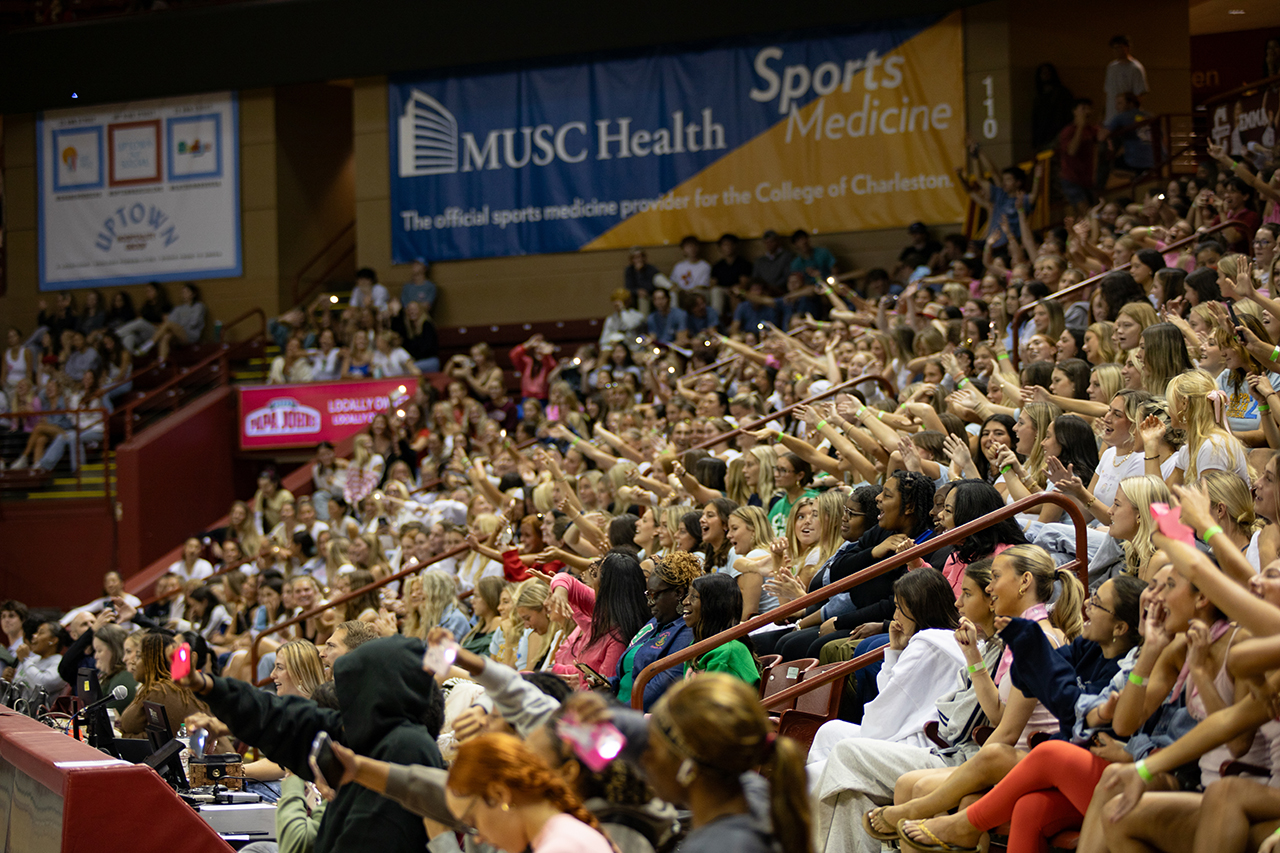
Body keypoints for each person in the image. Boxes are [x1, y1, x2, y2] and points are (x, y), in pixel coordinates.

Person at [178, 635, 445, 853]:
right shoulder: (366, 730)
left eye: (353, 688)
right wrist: (207, 685)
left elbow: (369, 839)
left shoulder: (407, 747)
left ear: (381, 690)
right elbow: (287, 719)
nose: (347, 699)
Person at [613, 551, 699, 710]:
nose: (649, 603)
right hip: (619, 707)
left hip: (642, 716)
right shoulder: (654, 621)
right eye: (648, 595)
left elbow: (665, 683)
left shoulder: (688, 630)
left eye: (654, 595)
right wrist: (607, 684)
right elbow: (626, 673)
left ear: (678, 593)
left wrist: (619, 713)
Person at [119, 633, 212, 739]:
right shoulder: (154, 688)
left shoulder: (163, 691)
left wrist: (123, 736)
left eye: (139, 656)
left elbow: (164, 741)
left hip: (209, 754)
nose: (133, 662)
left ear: (155, 661)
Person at [681, 573, 759, 688]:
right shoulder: (697, 646)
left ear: (713, 606)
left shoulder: (726, 653)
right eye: (688, 595)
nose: (685, 601)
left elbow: (715, 704)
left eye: (694, 597)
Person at [141, 282, 207, 364]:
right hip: (179, 334)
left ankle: (148, 345)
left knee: (169, 324)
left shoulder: (199, 306)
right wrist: (176, 328)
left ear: (193, 294)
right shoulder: (178, 308)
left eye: (186, 292)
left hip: (191, 334)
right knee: (166, 336)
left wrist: (178, 326)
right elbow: (171, 320)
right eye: (183, 292)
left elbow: (193, 323)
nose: (184, 294)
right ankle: (162, 361)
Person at [1059, 98, 1100, 213]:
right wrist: (1080, 127)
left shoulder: (1092, 130)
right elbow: (1071, 151)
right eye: (1083, 108)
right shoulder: (1068, 131)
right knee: (1085, 210)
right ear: (1075, 111)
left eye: (1089, 108)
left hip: (1087, 179)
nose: (1087, 112)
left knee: (1093, 209)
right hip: (1071, 178)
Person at [1103, 35, 1148, 123]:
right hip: (1111, 115)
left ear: (1127, 48)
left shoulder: (1135, 68)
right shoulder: (1111, 67)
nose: (1117, 51)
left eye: (1119, 47)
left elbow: (1140, 93)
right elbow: (1107, 91)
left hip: (1127, 116)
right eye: (1114, 48)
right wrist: (1102, 115)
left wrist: (1135, 114)